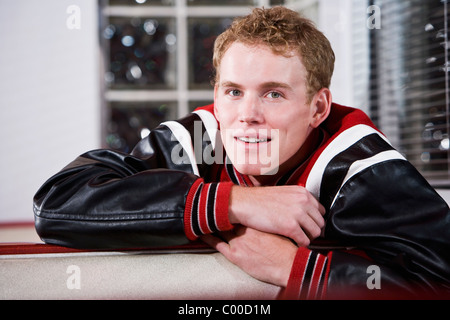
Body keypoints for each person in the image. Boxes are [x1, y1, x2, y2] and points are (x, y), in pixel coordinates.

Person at [33, 6, 450, 299]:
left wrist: (295, 269)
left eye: (273, 93)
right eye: (233, 92)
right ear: (216, 94)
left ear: (318, 108)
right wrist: (234, 202)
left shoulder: (357, 164)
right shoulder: (199, 139)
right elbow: (56, 204)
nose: (247, 115)